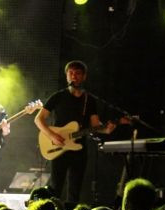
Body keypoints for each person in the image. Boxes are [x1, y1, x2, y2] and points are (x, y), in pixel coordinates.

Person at [34, 60, 115, 202]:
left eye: (77, 73)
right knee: (56, 188)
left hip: (79, 150)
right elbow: (38, 119)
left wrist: (106, 130)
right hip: (58, 146)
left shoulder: (89, 100)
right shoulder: (58, 97)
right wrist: (52, 136)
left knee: (75, 190)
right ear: (66, 76)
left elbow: (95, 124)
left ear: (84, 77)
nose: (74, 76)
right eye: (70, 73)